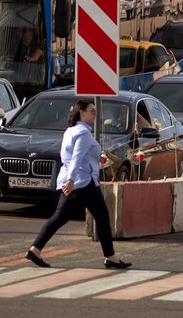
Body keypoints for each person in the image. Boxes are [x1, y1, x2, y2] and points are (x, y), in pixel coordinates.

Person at [26, 100, 132, 270]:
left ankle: (35, 249)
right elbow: (76, 157)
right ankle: (110, 257)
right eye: (92, 111)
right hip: (82, 182)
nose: (95, 114)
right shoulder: (83, 133)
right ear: (81, 112)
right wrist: (72, 180)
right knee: (102, 216)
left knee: (60, 216)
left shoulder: (70, 131)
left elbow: (69, 156)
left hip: (73, 180)